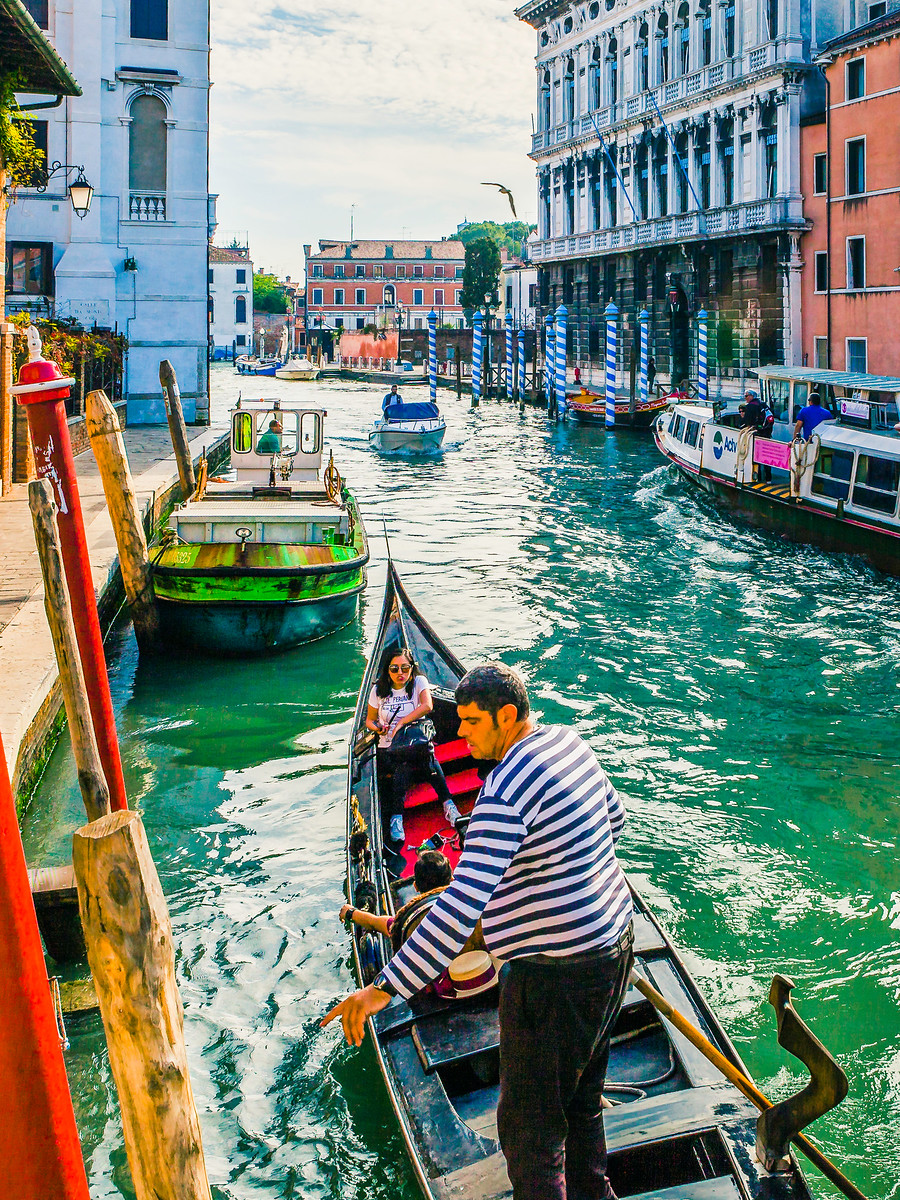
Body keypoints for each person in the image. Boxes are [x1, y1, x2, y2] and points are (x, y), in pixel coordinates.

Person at [324, 662, 634, 1200]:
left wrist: (382, 989)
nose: (458, 733)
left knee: (529, 1135)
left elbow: (460, 909)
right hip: (616, 945)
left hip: (553, 978)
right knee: (582, 1102)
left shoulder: (505, 788)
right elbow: (615, 820)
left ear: (507, 717)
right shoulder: (571, 743)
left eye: (468, 722)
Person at [366, 647, 462, 845]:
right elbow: (369, 721)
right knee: (408, 762)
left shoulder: (419, 682)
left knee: (424, 756)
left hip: (417, 741)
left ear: (411, 668)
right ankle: (406, 814)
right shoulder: (377, 690)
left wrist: (400, 723)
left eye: (405, 668)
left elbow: (427, 706)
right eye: (394, 669)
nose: (400, 673)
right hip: (391, 747)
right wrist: (379, 728)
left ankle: (441, 806)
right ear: (387, 670)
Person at [340, 849, 452, 937]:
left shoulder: (409, 923)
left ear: (415, 887)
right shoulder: (464, 906)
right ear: (451, 879)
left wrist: (350, 913)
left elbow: (374, 922)